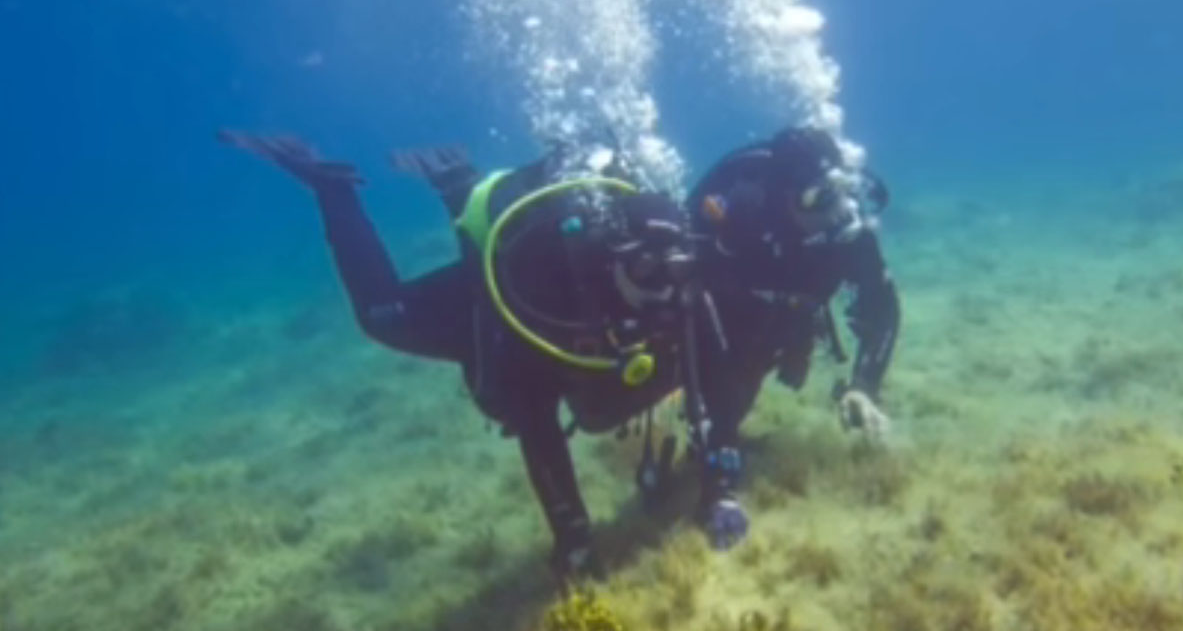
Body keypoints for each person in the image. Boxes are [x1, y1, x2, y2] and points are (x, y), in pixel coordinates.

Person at [218, 130, 710, 583]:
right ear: (618, 257)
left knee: (599, 408)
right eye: (646, 272)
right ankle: (336, 191)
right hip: (491, 305)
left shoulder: (676, 280)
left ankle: (455, 181)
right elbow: (536, 425)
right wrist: (574, 536)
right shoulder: (546, 295)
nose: (660, 292)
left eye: (673, 274)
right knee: (381, 316)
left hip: (556, 299)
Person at [686, 127, 901, 549]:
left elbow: (882, 309)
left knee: (757, 366)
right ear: (782, 197)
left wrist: (864, 386)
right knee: (731, 389)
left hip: (792, 311)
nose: (833, 210)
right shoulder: (744, 214)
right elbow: (690, 295)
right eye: (815, 198)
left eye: (837, 191)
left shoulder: (849, 228)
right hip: (729, 311)